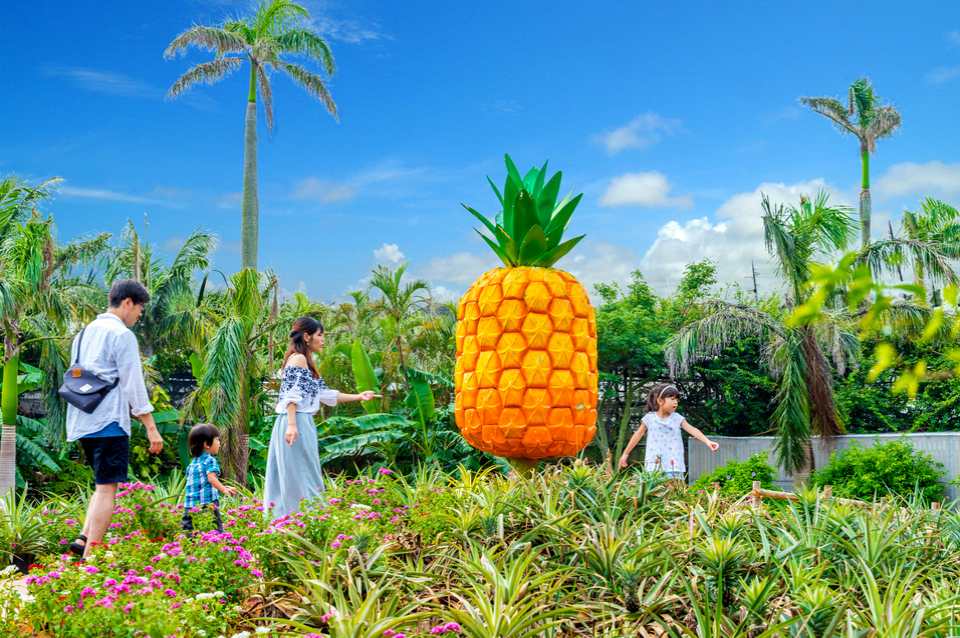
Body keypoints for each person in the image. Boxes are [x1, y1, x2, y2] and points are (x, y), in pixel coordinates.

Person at [66, 279, 164, 558]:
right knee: (108, 489)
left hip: (83, 418)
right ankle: (90, 559)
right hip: (109, 421)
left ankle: (83, 538)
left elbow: (77, 375)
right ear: (127, 302)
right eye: (140, 308)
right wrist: (151, 427)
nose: (140, 314)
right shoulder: (122, 334)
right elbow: (134, 383)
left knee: (103, 485)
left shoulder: (84, 332)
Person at [264, 317, 380, 520]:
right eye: (320, 335)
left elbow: (325, 394)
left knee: (301, 473)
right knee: (302, 474)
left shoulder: (306, 362)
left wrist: (359, 396)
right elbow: (291, 396)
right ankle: (308, 520)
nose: (323, 339)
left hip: (300, 422)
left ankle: (297, 521)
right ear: (306, 337)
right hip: (296, 421)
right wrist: (292, 425)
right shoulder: (299, 359)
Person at [618, 383, 719, 479]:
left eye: (677, 399)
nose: (675, 402)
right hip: (653, 466)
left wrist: (708, 442)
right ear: (660, 401)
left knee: (673, 491)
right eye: (672, 399)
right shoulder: (649, 418)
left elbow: (692, 430)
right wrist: (625, 453)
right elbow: (637, 435)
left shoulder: (677, 418)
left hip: (674, 466)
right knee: (654, 491)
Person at [181, 423, 236, 534]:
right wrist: (223, 489)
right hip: (207, 504)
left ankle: (186, 545)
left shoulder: (192, 464)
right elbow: (211, 478)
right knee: (215, 531)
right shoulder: (210, 460)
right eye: (217, 439)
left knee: (188, 533)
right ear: (206, 444)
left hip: (189, 506)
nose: (219, 443)